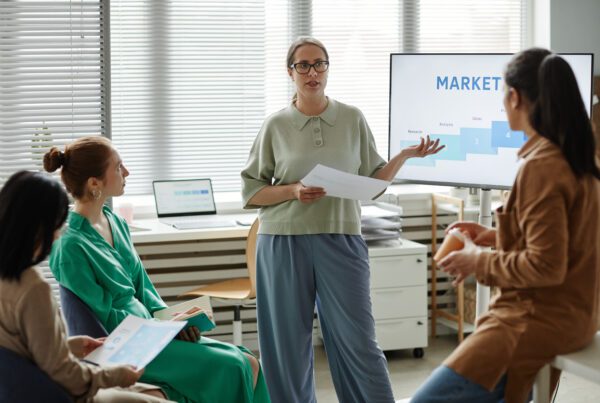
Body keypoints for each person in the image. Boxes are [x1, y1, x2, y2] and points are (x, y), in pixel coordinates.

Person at [241, 37, 444, 403]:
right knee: (285, 347)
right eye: (303, 65)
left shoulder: (351, 118)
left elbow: (373, 184)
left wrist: (404, 157)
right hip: (282, 241)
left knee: (358, 341)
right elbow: (252, 191)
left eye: (319, 64)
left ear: (327, 69)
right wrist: (292, 191)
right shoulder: (275, 126)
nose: (312, 72)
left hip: (341, 239)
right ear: (290, 72)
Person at [411, 48, 600, 403]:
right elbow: (565, 239)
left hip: (533, 321)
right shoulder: (579, 157)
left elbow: (546, 264)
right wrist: (495, 237)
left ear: (514, 97)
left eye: (503, 94)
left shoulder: (542, 167)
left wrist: (474, 260)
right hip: (577, 318)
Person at [45, 137, 270, 403]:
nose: (127, 172)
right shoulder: (70, 245)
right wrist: (158, 328)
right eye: (118, 167)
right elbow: (103, 318)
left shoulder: (114, 221)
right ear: (95, 183)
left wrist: (172, 319)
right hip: (126, 344)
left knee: (247, 360)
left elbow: (143, 287)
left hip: (153, 331)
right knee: (232, 366)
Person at [0, 170, 172, 403]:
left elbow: (25, 350)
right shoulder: (32, 289)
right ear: (39, 227)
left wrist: (70, 345)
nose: (59, 234)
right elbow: (64, 373)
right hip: (60, 393)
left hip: (21, 390)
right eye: (57, 225)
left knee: (154, 392)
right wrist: (116, 375)